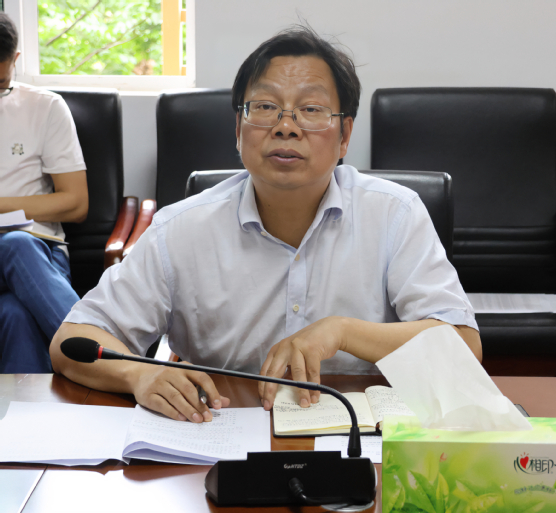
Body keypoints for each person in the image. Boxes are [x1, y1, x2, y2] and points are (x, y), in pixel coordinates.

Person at [50, 26, 481, 424]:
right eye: (266, 107)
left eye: (311, 109)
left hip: (361, 438)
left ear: (345, 135)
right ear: (238, 128)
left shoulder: (394, 214)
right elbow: (72, 339)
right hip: (219, 431)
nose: (286, 127)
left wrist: (343, 331)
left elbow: (464, 347)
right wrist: (139, 375)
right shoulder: (180, 229)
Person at [0, 13, 88, 373]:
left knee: (15, 313)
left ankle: (25, 422)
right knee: (15, 244)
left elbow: (76, 203)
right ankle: (116, 362)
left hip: (38, 254)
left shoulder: (45, 107)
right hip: (24, 249)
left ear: (15, 60)